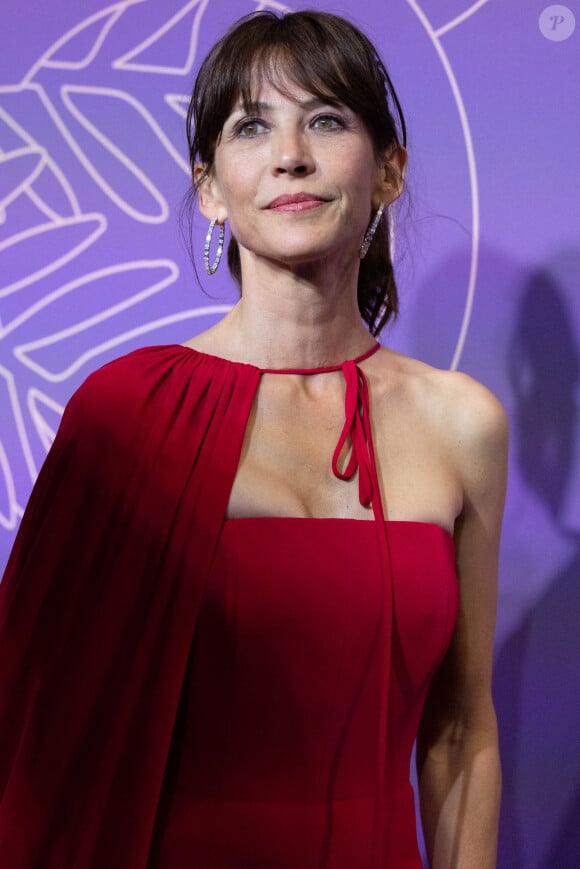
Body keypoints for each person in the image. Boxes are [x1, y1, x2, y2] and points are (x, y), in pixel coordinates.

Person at [0, 10, 507, 869]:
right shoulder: (124, 414)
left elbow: (460, 731)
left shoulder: (464, 422)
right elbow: (30, 723)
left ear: (388, 170)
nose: (290, 155)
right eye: (252, 125)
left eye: (326, 119)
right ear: (209, 187)